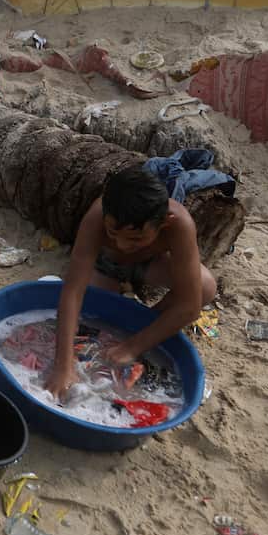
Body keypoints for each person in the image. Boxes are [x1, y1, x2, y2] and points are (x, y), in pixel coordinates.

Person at [43, 166, 217, 402]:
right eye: (112, 232)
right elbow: (73, 291)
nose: (123, 244)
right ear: (106, 215)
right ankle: (134, 320)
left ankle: (143, 323)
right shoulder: (97, 216)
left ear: (164, 223)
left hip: (149, 265)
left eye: (136, 238)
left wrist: (133, 346)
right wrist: (63, 367)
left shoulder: (179, 225)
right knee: (92, 317)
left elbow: (190, 308)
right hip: (105, 266)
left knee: (206, 287)